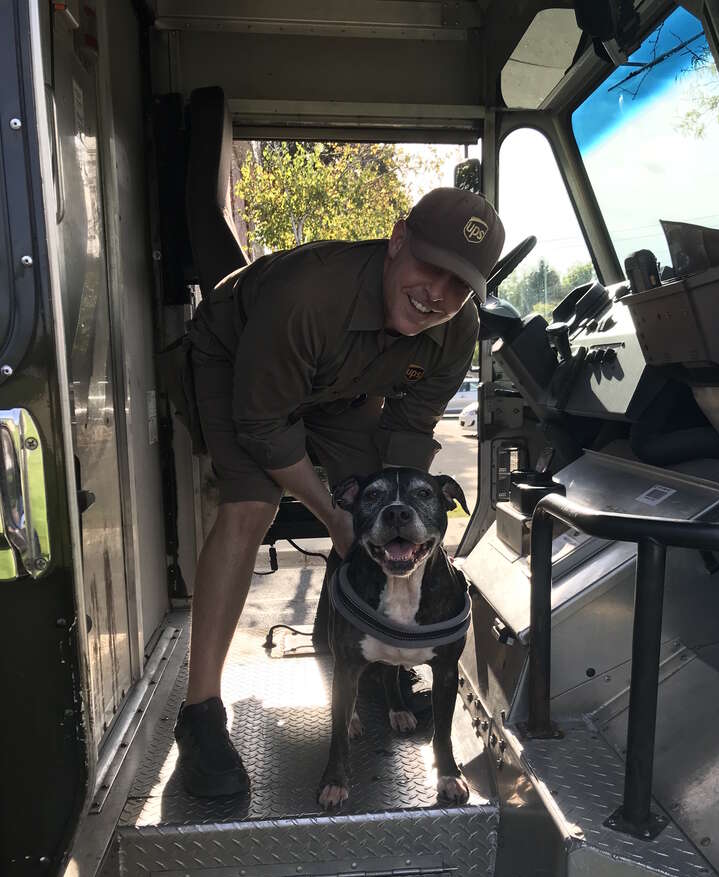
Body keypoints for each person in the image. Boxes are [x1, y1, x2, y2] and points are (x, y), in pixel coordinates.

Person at [174, 186, 505, 797]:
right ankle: (200, 715)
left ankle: (385, 651)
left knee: (381, 500)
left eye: (459, 285)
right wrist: (333, 515)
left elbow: (408, 432)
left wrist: (394, 522)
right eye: (429, 267)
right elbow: (263, 425)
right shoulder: (308, 295)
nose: (438, 295)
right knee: (252, 504)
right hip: (240, 361)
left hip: (340, 388)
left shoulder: (457, 330)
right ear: (398, 239)